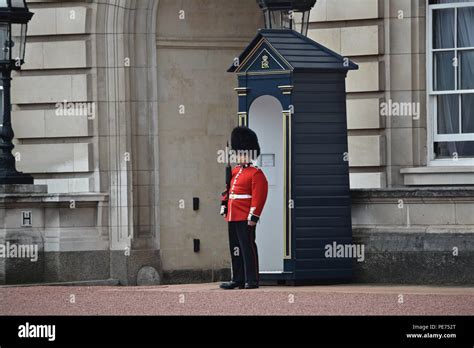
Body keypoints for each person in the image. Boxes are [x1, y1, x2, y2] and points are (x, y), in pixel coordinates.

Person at [220, 126, 268, 290]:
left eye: (241, 154)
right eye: (237, 153)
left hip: (245, 216)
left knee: (247, 247)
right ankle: (238, 279)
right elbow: (229, 190)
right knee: (235, 248)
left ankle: (252, 279)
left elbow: (259, 197)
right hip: (232, 215)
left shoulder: (256, 173)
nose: (238, 156)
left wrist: (253, 216)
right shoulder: (235, 171)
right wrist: (224, 204)